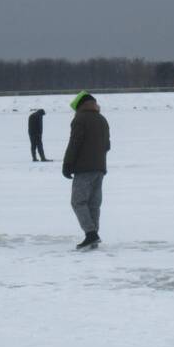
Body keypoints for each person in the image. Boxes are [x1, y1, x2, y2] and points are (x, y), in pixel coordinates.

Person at [62, 91, 110, 249]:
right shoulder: (102, 119)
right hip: (100, 168)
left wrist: (67, 164)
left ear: (80, 106)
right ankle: (93, 236)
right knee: (93, 204)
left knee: (78, 202)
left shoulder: (80, 119)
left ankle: (91, 234)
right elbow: (107, 146)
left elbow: (74, 143)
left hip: (84, 169)